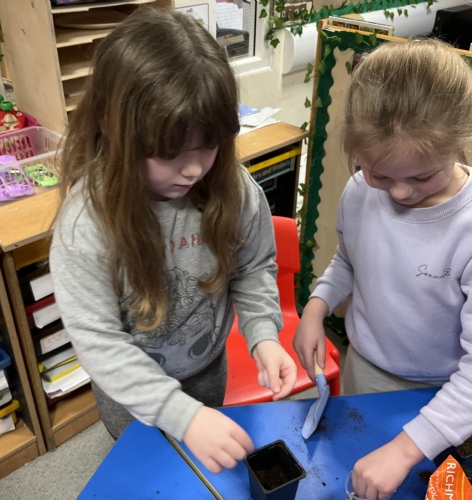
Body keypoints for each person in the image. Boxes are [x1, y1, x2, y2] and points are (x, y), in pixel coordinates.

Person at [49, 7, 297, 474]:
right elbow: (99, 341)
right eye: (169, 153)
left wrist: (264, 335)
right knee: (149, 473)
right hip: (132, 399)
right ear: (112, 128)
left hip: (207, 373)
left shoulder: (234, 190)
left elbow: (253, 268)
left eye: (209, 145)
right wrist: (181, 416)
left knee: (199, 474)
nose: (194, 168)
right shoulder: (86, 224)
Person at [293, 38, 472, 499]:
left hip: (446, 396)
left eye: (422, 176)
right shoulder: (359, 192)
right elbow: (350, 260)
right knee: (354, 473)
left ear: (459, 142)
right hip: (366, 371)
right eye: (379, 174)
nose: (400, 193)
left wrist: (407, 448)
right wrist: (316, 306)